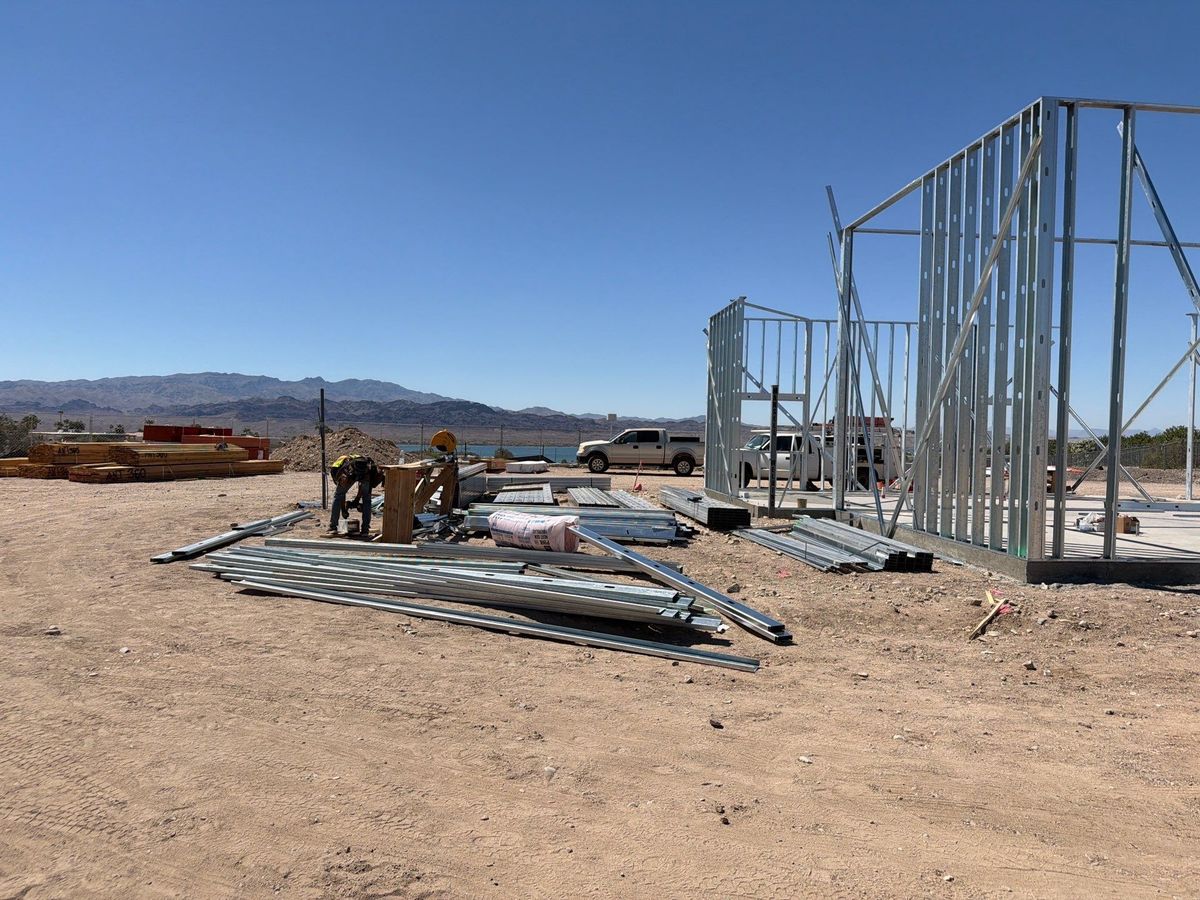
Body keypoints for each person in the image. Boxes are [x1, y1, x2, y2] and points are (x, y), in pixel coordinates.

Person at [327, 454, 383, 536]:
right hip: (365, 473)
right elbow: (361, 487)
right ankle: (365, 530)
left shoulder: (339, 468)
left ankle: (333, 527)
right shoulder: (363, 462)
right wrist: (345, 508)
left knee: (338, 496)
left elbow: (341, 494)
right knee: (367, 500)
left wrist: (352, 504)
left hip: (350, 472)